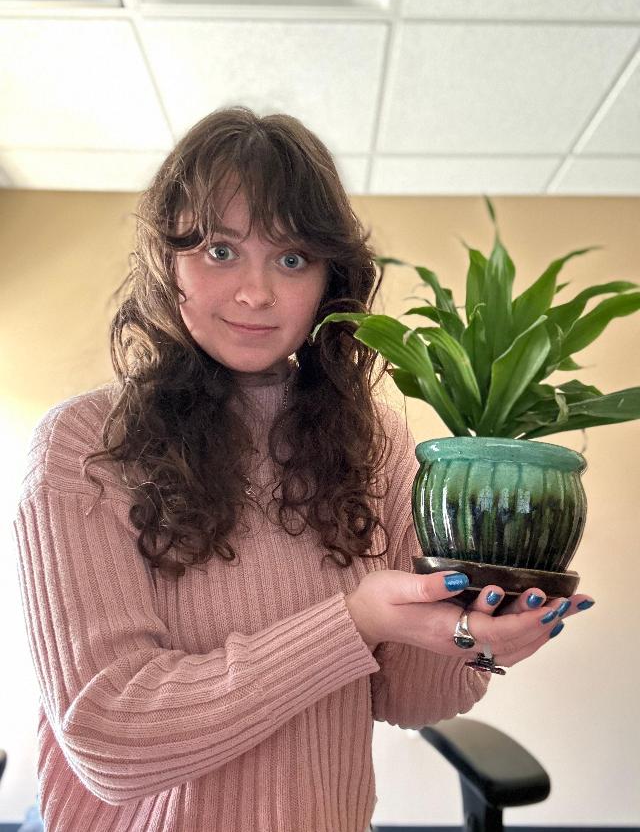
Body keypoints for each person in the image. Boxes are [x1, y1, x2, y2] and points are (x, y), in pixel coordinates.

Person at [13, 106, 594, 832]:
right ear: (168, 259)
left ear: (330, 279)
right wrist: (349, 620)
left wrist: (474, 640)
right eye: (221, 250)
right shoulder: (83, 447)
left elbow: (403, 697)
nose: (256, 293)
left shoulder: (371, 438)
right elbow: (108, 735)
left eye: (291, 258)